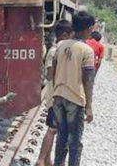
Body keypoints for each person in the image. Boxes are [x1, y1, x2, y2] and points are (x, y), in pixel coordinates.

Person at [51, 11, 96, 166]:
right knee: (75, 143)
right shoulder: (86, 50)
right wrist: (89, 106)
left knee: (61, 139)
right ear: (88, 28)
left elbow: (53, 72)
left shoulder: (61, 45)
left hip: (58, 97)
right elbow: (88, 80)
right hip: (75, 100)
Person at [35, 21, 74, 166]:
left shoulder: (57, 49)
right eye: (71, 35)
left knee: (54, 129)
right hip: (57, 97)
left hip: (56, 96)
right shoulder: (55, 51)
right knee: (52, 130)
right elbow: (50, 75)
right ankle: (40, 160)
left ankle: (47, 160)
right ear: (65, 35)